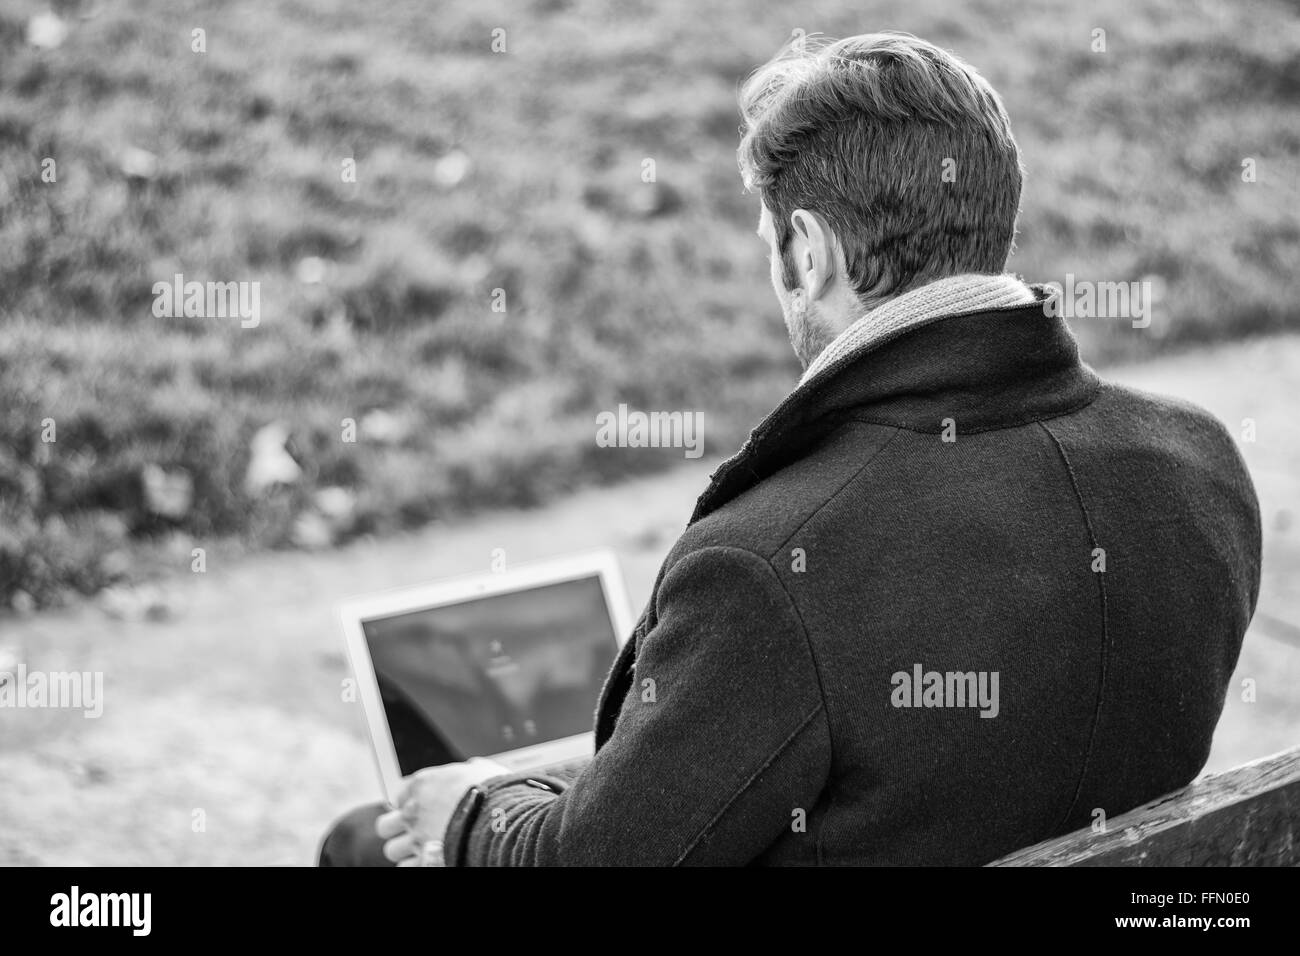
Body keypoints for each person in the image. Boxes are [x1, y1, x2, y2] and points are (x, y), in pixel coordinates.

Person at [319, 31, 1260, 867]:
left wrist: (472, 811)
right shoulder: (1197, 463)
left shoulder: (769, 565)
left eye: (769, 239)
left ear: (808, 252)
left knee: (365, 841)